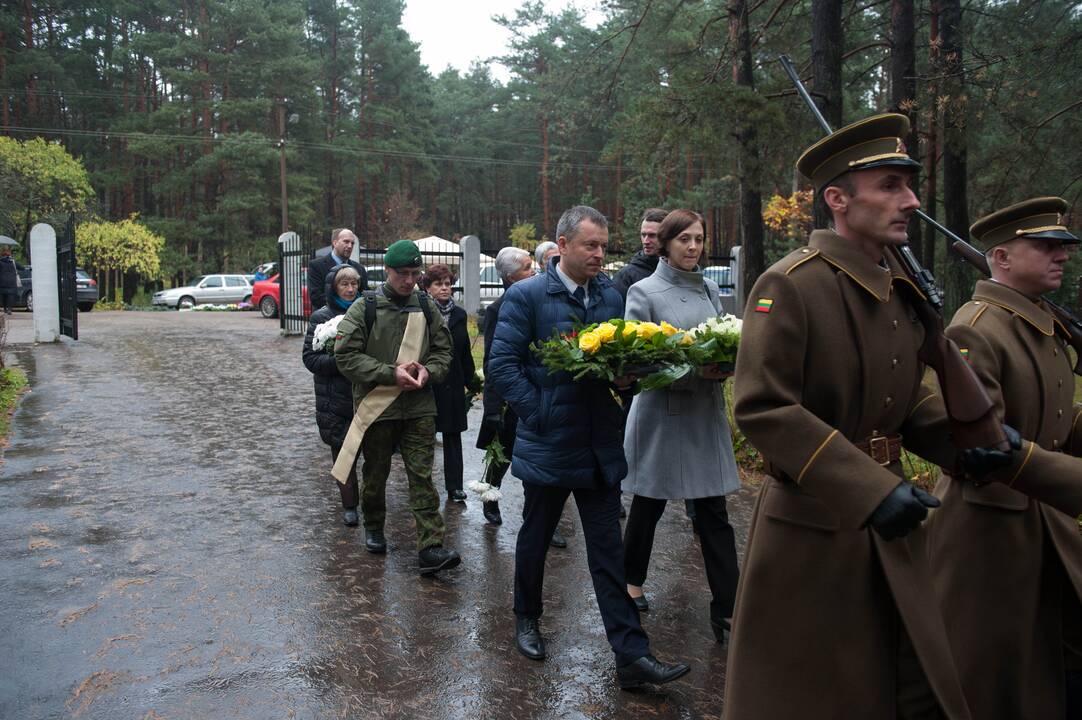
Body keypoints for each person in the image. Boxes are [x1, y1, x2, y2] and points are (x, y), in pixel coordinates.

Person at [727, 113, 1005, 718]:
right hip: (815, 532)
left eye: (909, 185)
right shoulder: (792, 284)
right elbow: (763, 405)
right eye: (890, 186)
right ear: (838, 199)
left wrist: (962, 445)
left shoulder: (896, 289)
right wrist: (871, 490)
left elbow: (902, 400)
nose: (909, 200)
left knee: (899, 686)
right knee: (812, 694)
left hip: (891, 524)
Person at [489, 205, 690, 689]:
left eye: (604, 245)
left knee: (608, 553)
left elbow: (626, 362)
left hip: (600, 446)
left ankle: (631, 656)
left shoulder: (610, 296)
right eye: (591, 246)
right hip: (550, 445)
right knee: (535, 538)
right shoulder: (528, 296)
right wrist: (540, 414)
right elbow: (501, 366)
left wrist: (626, 382)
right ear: (562, 245)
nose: (601, 254)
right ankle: (527, 618)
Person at [926, 197, 1082, 719]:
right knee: (987, 682)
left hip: (1043, 524)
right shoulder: (980, 327)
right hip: (990, 534)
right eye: (1046, 247)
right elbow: (984, 447)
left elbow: (1053, 422)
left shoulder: (1039, 322)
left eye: (1063, 247)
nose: (1061, 256)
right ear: (1001, 257)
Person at [621, 209, 740, 642]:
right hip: (662, 416)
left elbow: (724, 335)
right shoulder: (643, 290)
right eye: (684, 239)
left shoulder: (710, 287)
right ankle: (630, 584)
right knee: (649, 505)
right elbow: (638, 360)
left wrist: (727, 363)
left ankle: (727, 608)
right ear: (667, 243)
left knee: (714, 513)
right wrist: (695, 372)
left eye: (699, 239)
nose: (693, 247)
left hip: (704, 416)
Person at [333, 239, 461, 576]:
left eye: (414, 273)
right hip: (379, 408)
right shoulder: (365, 307)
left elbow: (443, 350)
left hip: (419, 406)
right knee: (375, 474)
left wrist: (427, 370)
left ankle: (431, 548)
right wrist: (390, 374)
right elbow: (345, 356)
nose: (408, 280)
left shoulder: (425, 304)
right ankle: (374, 524)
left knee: (423, 477)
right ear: (387, 271)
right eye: (402, 273)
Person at [475, 247, 569, 547]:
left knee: (539, 463)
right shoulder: (497, 309)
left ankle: (541, 523)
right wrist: (493, 408)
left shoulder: (542, 302)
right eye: (529, 268)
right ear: (510, 277)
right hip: (509, 399)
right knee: (501, 455)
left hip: (540, 392)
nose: (535, 272)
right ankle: (490, 496)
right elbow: (493, 362)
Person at [302, 265, 363, 526]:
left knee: (374, 455)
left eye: (354, 284)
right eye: (344, 284)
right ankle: (349, 504)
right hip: (334, 399)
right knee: (343, 454)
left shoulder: (368, 312)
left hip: (365, 396)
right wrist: (343, 362)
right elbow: (310, 358)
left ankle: (373, 505)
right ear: (333, 287)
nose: (350, 289)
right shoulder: (320, 317)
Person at [422, 264, 479, 504]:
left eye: (448, 283)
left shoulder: (459, 314)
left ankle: (454, 486)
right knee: (423, 438)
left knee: (453, 437)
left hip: (453, 383)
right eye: (438, 284)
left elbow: (464, 350)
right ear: (427, 288)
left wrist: (472, 381)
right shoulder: (421, 312)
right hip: (427, 384)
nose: (445, 288)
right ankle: (422, 487)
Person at [612, 208, 666, 298]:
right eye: (643, 235)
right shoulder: (625, 277)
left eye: (652, 235)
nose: (646, 241)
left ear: (667, 236)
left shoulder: (679, 272)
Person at [308, 228, 366, 310]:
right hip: (326, 319)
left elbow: (364, 294)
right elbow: (316, 297)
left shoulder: (359, 269)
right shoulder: (316, 266)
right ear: (335, 243)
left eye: (352, 243)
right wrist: (344, 302)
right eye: (346, 242)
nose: (350, 246)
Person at [0, 244, 24, 315]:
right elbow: (22, 268)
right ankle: (9, 309)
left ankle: (5, 309)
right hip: (12, 282)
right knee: (11, 296)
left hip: (2, 282)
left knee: (3, 296)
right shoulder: (13, 262)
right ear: (9, 254)